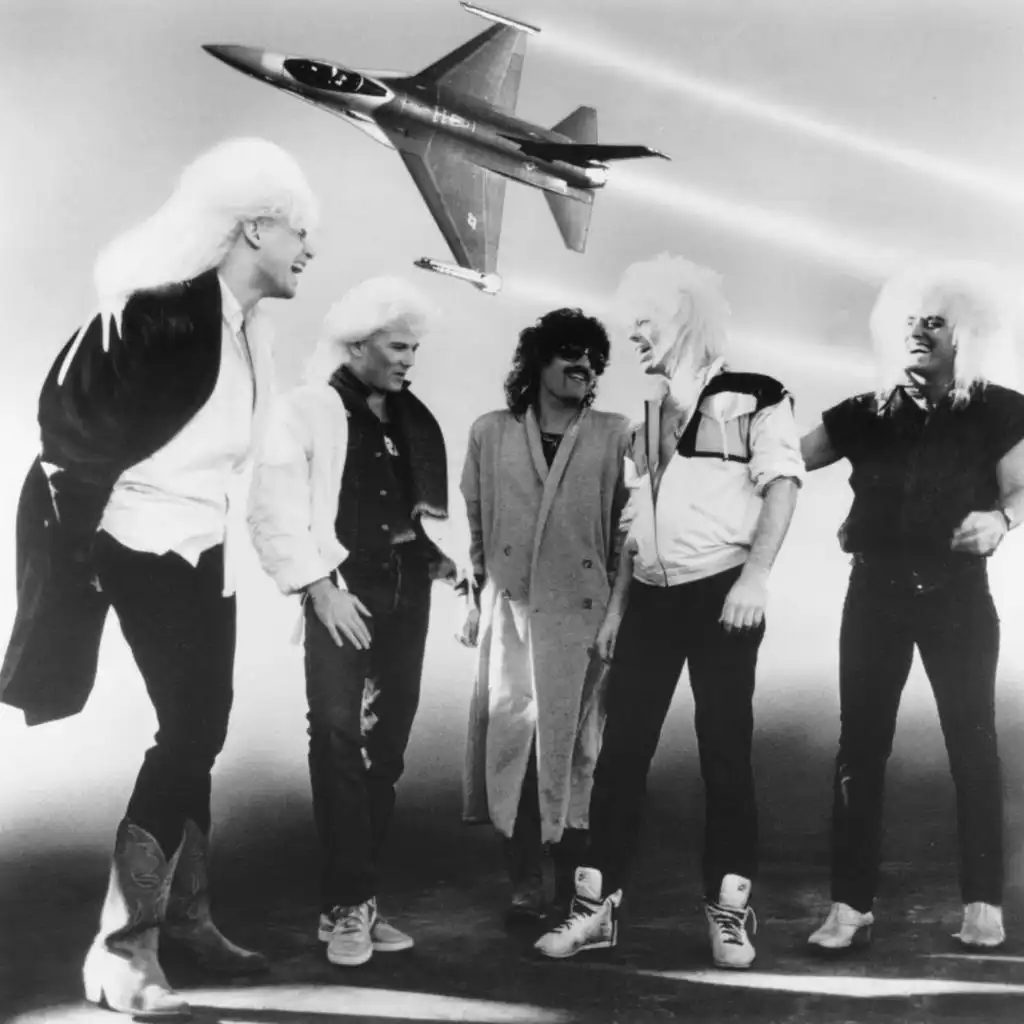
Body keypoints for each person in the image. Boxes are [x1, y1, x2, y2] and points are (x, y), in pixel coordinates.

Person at [0, 137, 318, 1017]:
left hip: (202, 549)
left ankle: (185, 920)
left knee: (199, 731)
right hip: (135, 540)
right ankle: (121, 952)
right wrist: (80, 565)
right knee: (190, 729)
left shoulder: (247, 330)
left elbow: (232, 460)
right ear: (254, 227)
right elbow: (67, 432)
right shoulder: (163, 312)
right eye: (300, 231)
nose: (310, 249)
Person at [535, 253, 804, 969]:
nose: (633, 336)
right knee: (621, 756)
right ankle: (596, 908)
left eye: (644, 322)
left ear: (681, 316)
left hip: (723, 597)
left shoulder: (756, 394)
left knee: (725, 755)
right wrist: (617, 610)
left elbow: (782, 485)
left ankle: (730, 911)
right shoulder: (650, 415)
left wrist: (755, 578)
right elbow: (635, 523)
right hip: (650, 602)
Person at [801, 262, 1024, 952]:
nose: (918, 333)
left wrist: (1003, 519)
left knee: (973, 746)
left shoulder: (998, 409)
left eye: (934, 321)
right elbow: (780, 461)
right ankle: (849, 907)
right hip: (875, 596)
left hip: (958, 599)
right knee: (858, 749)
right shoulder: (863, 412)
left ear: (966, 335)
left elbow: (1019, 489)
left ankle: (983, 903)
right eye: (910, 322)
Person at [248, 277, 459, 968]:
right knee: (337, 739)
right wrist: (318, 589)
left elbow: (408, 512)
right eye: (397, 347)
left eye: (414, 348)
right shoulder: (306, 408)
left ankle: (354, 899)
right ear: (357, 343)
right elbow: (273, 508)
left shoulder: (409, 417)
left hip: (406, 593)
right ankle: (349, 903)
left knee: (385, 749)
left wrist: (440, 559)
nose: (409, 360)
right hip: (342, 591)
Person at [458, 308, 631, 924]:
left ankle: (579, 884)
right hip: (513, 615)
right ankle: (527, 881)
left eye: (594, 358)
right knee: (516, 742)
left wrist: (618, 614)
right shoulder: (490, 432)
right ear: (538, 360)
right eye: (570, 353)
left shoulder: (618, 434)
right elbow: (476, 525)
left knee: (581, 749)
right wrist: (475, 598)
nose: (584, 366)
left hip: (586, 620)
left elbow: (628, 536)